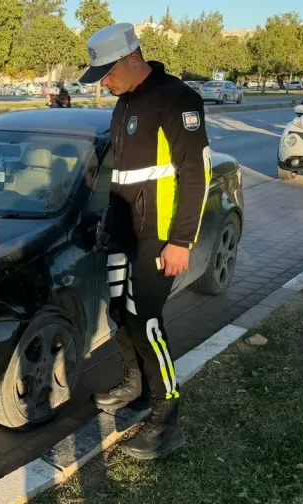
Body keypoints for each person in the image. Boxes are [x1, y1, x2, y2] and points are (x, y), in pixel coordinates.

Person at [78, 22, 211, 459]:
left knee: (146, 322)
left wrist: (181, 241)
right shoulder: (125, 101)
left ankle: (166, 417)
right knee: (120, 312)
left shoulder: (177, 99)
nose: (104, 83)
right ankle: (134, 384)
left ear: (132, 58)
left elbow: (197, 175)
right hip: (121, 232)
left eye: (107, 74)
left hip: (157, 239)